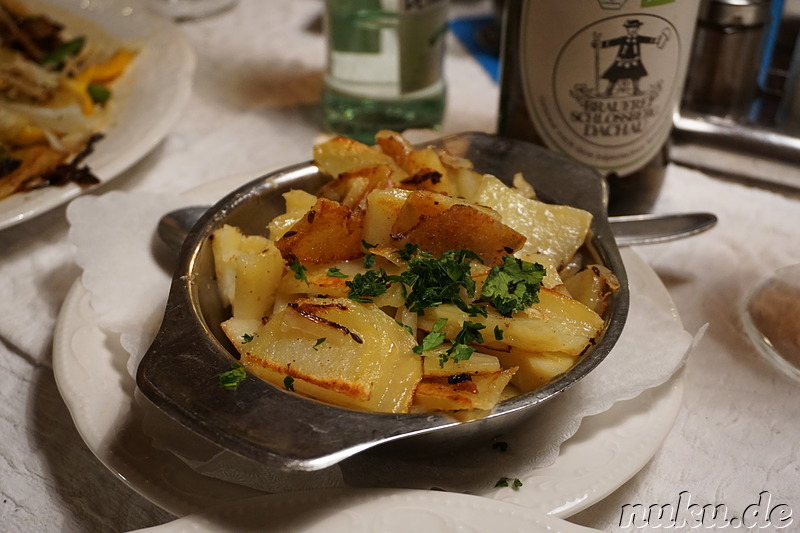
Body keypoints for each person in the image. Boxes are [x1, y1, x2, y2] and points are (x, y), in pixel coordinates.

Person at [593, 19, 660, 97]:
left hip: (634, 61)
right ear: (627, 29)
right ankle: (608, 91)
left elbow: (648, 40)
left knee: (636, 76)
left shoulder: (638, 38)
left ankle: (636, 90)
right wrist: (600, 44)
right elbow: (611, 42)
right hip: (621, 61)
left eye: (635, 27)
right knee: (613, 76)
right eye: (631, 27)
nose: (633, 29)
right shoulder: (623, 39)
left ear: (638, 28)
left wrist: (657, 40)